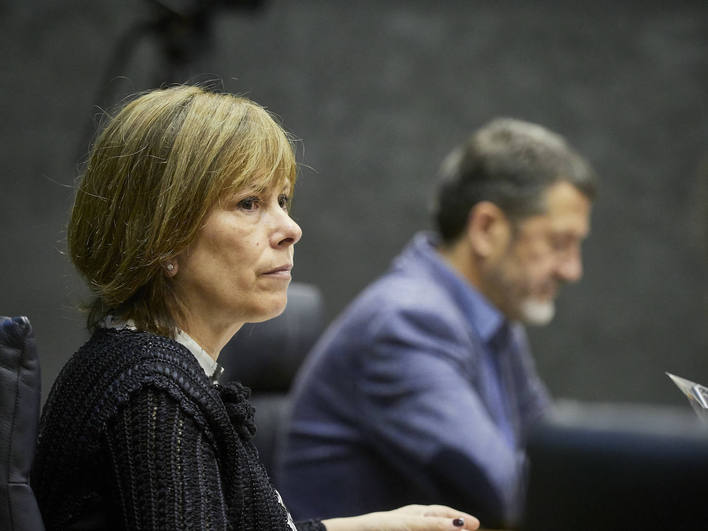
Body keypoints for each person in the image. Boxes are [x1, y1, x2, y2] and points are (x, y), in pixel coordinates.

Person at [31, 85, 480, 531]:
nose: (290, 228)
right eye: (249, 203)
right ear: (162, 237)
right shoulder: (153, 394)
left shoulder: (149, 365)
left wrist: (373, 527)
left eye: (282, 200)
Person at [278, 118, 597, 529]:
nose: (572, 269)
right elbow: (507, 494)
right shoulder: (406, 323)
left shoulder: (494, 318)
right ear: (486, 229)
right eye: (559, 243)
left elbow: (553, 457)